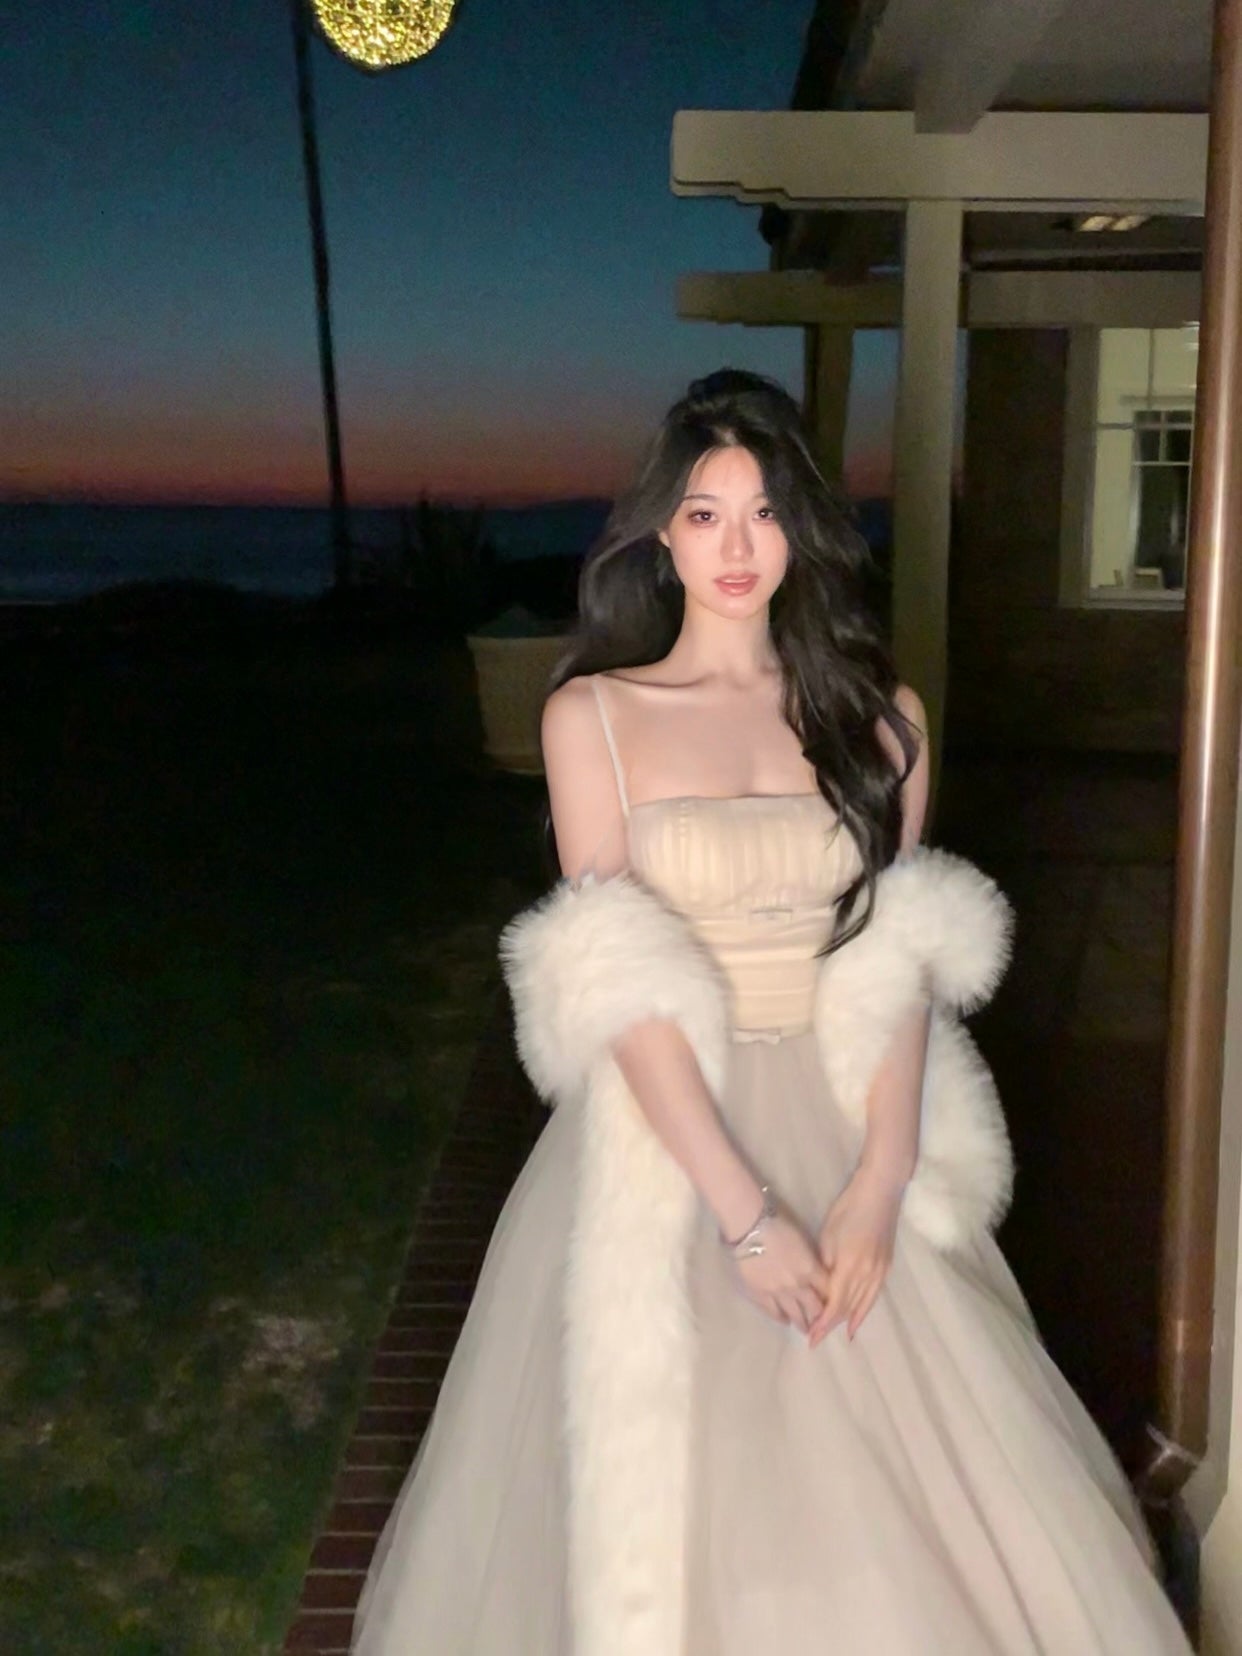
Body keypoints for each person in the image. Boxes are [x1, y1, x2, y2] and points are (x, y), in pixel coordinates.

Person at [352, 370, 1190, 1654]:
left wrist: (881, 1177)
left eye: (763, 512)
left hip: (850, 1117)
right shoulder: (596, 717)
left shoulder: (883, 719)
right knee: (677, 1492)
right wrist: (744, 1218)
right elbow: (615, 982)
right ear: (661, 533)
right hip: (668, 1137)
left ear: (803, 529)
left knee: (900, 1506)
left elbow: (897, 954)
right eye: (704, 514)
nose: (735, 547)